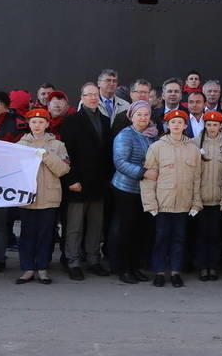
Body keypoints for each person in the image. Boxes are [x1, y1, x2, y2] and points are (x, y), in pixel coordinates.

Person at [141, 110, 202, 288]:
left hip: (184, 203)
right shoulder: (157, 147)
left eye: (180, 122)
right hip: (162, 203)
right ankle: (159, 272)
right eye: (172, 122)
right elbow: (148, 178)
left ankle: (176, 271)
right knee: (161, 238)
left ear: (185, 126)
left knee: (179, 239)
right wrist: (150, 203)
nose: (176, 125)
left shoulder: (192, 149)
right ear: (167, 126)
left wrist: (196, 201)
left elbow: (197, 177)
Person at [59, 83, 112, 281]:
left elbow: (107, 153)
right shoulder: (72, 120)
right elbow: (66, 153)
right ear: (81, 97)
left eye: (95, 95)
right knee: (75, 226)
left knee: (95, 226)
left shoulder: (105, 121)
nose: (92, 98)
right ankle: (72, 261)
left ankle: (93, 260)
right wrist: (71, 179)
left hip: (98, 183)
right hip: (77, 182)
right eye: (88, 95)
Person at [16, 108, 70, 285]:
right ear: (28, 124)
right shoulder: (20, 145)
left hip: (49, 197)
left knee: (46, 234)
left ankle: (42, 268)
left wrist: (45, 155)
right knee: (27, 234)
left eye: (41, 122)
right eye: (33, 122)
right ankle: (27, 268)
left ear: (47, 124)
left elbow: (63, 169)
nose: (37, 125)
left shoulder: (57, 145)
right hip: (28, 197)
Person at [109, 101, 154, 285]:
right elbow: (120, 162)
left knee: (138, 230)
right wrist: (143, 173)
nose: (143, 118)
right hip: (125, 189)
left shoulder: (152, 135)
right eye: (139, 115)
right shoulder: (125, 135)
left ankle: (135, 267)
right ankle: (123, 268)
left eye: (146, 114)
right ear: (131, 116)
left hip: (143, 191)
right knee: (125, 230)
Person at [194, 110, 222, 281]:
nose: (211, 128)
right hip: (201, 198)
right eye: (209, 124)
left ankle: (215, 266)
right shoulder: (195, 143)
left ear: (220, 126)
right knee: (202, 235)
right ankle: (203, 266)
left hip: (219, 198)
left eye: (215, 125)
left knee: (217, 235)